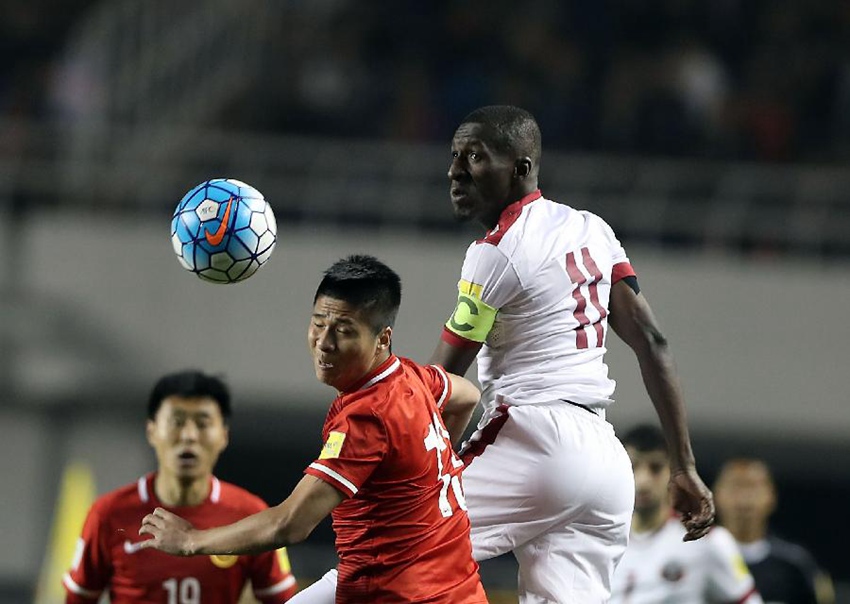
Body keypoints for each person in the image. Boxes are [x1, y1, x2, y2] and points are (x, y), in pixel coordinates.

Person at [287, 104, 715, 603]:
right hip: (605, 464)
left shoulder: (496, 251)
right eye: (454, 156)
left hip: (534, 442)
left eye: (475, 156)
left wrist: (407, 467)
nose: (455, 171)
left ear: (521, 167)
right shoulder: (593, 229)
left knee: (388, 553)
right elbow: (653, 343)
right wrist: (684, 466)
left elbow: (439, 380)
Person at [139, 255, 489, 603]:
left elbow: (290, 524)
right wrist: (424, 467)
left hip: (396, 593)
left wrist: (191, 540)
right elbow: (468, 396)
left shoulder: (366, 419)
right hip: (454, 586)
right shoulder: (412, 377)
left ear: (383, 339)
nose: (324, 342)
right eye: (319, 323)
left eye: (344, 330)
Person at [63, 370, 299, 604]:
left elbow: (284, 600)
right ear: (151, 431)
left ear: (223, 435)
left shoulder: (250, 513)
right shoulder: (108, 514)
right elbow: (78, 599)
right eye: (176, 422)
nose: (188, 435)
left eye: (203, 423)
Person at [610, 424, 762, 603]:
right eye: (633, 466)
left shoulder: (707, 541)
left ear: (674, 471)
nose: (643, 481)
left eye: (655, 468)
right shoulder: (602, 538)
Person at [714, 458, 836, 604]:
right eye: (736, 487)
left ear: (771, 496)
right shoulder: (698, 556)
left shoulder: (794, 564)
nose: (744, 499)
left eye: (753, 487)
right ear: (715, 494)